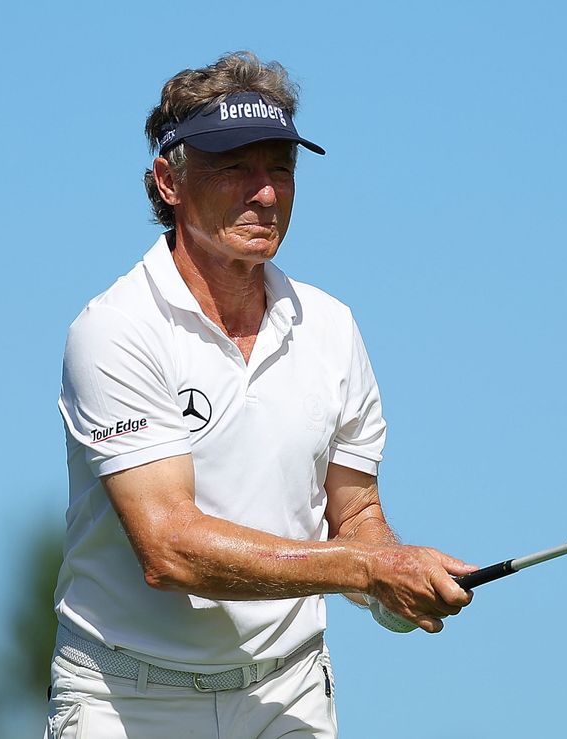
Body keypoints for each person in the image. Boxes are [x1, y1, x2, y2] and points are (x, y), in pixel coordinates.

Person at [46, 51, 474, 739]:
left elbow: (356, 512)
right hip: (128, 699)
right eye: (234, 167)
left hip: (289, 690)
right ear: (169, 181)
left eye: (280, 167)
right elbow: (171, 548)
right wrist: (365, 568)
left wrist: (393, 584)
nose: (266, 193)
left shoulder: (332, 327)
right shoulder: (116, 330)